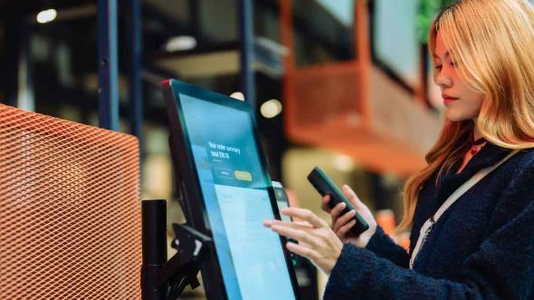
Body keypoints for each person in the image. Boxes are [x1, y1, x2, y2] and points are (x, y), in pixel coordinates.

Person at [264, 0, 534, 299]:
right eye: (439, 63)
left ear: (503, 60)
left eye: (456, 62)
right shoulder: (451, 162)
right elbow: (424, 279)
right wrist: (369, 242)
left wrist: (345, 264)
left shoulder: (526, 172)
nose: (441, 78)